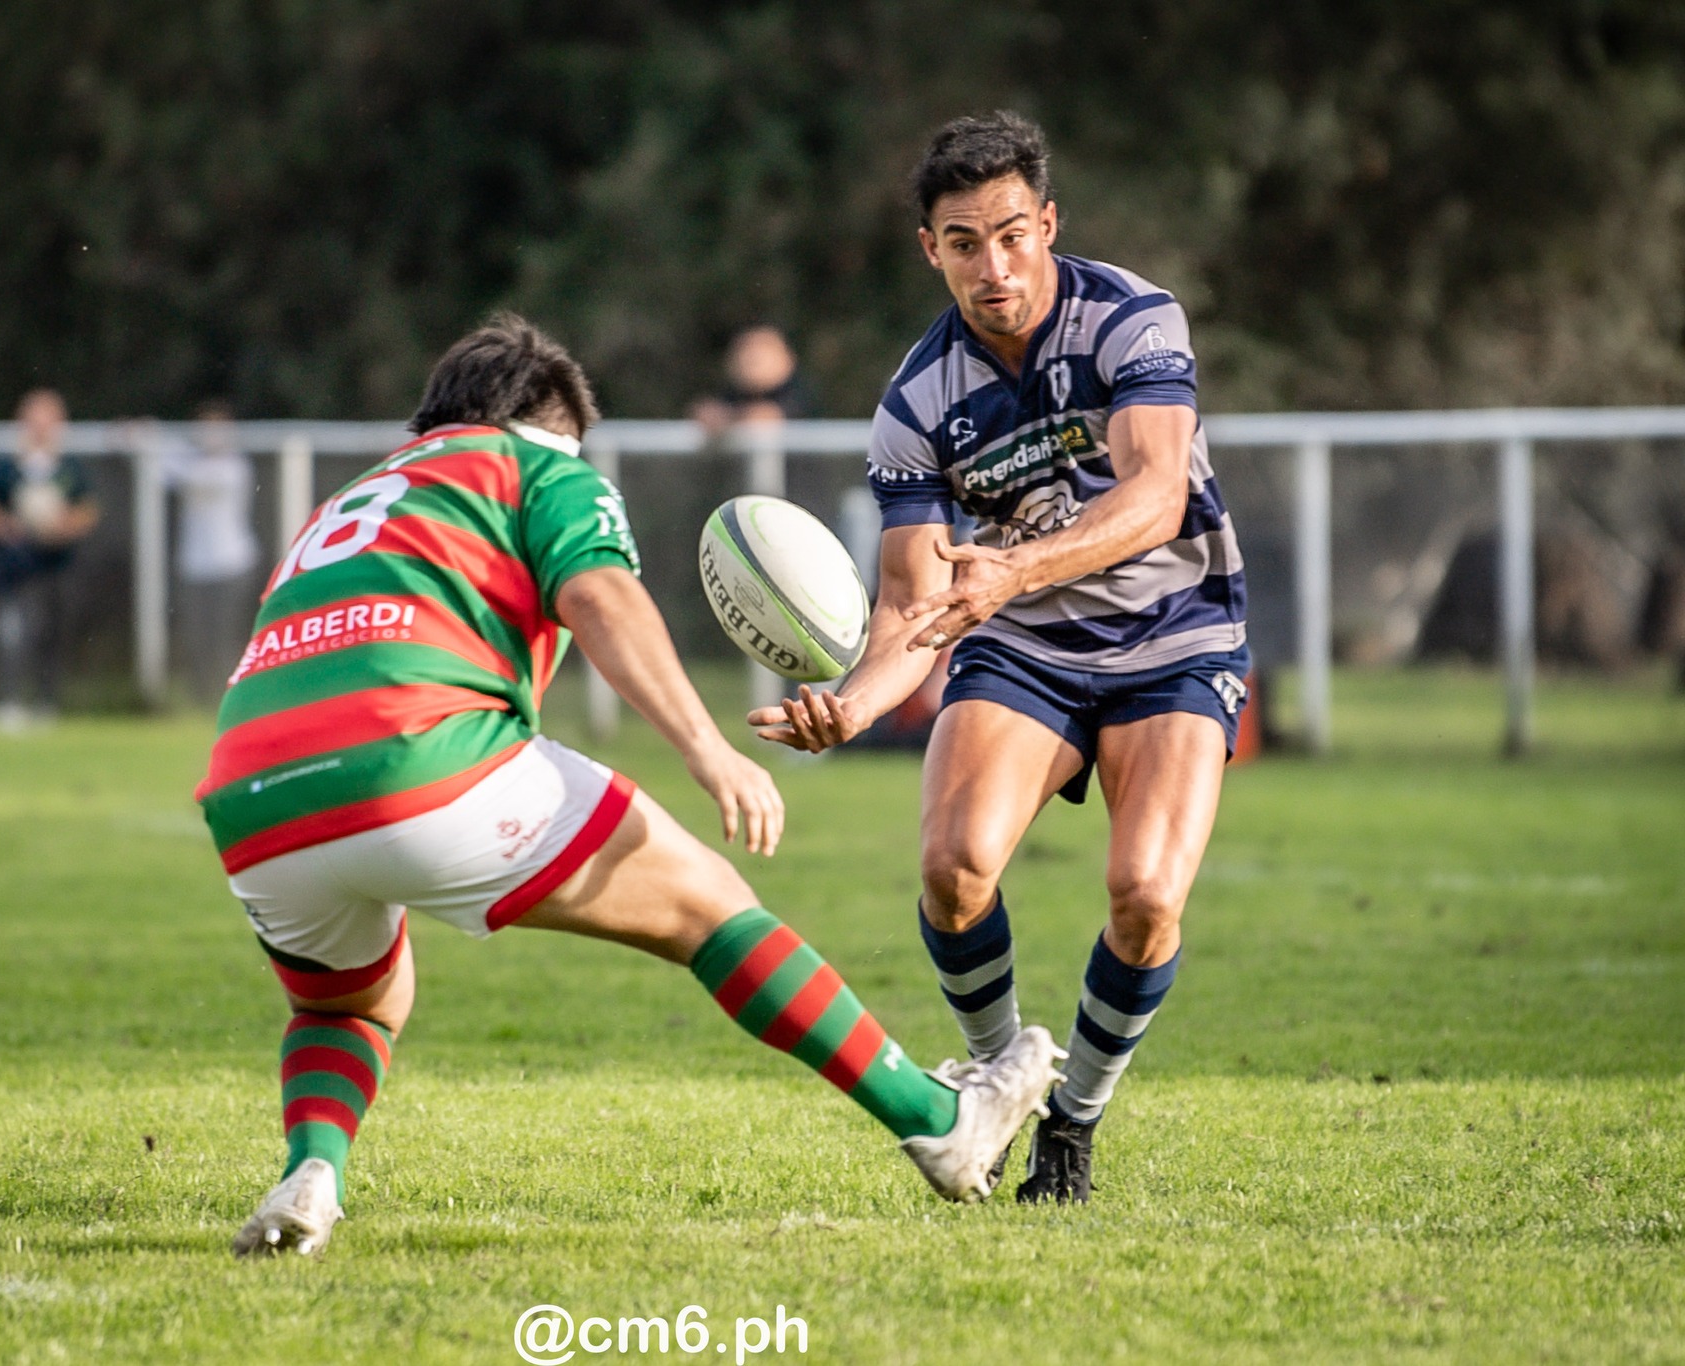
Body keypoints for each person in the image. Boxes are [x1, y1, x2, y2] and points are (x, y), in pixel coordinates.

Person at [196, 314, 1065, 1258]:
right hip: (419, 758)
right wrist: (708, 748)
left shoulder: (352, 499)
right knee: (714, 909)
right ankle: (941, 1119)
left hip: (251, 798)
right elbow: (602, 596)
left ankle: (311, 1171)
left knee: (343, 1004)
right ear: (550, 427)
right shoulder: (540, 468)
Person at [752, 111, 1249, 1205]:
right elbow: (907, 603)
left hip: (1174, 630)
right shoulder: (913, 404)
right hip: (1021, 644)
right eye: (964, 242)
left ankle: (1072, 1119)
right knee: (951, 865)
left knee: (1143, 893)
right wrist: (849, 705)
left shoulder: (1129, 318)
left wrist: (1015, 572)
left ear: (1047, 224)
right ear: (928, 249)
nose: (995, 265)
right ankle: (996, 1081)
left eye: (1013, 234)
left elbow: (1155, 494)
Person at [0, 390, 99, 730]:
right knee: (13, 634)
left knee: (51, 635)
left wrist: (62, 526)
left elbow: (88, 511)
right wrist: (7, 526)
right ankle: (8, 702)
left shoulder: (68, 468)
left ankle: (46, 703)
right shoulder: (6, 466)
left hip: (55, 566)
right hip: (16, 569)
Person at [139, 402, 262, 706]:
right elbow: (162, 472)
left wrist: (151, 440)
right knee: (197, 637)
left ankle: (234, 696)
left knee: (226, 636)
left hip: (231, 565)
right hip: (195, 566)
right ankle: (202, 697)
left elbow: (186, 475)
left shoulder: (233, 467)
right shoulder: (190, 460)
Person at [690, 324, 818, 434]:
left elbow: (766, 416)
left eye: (764, 347)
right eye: (745, 347)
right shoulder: (731, 393)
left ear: (787, 357)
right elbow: (708, 413)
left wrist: (731, 419)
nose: (753, 356)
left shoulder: (797, 393)